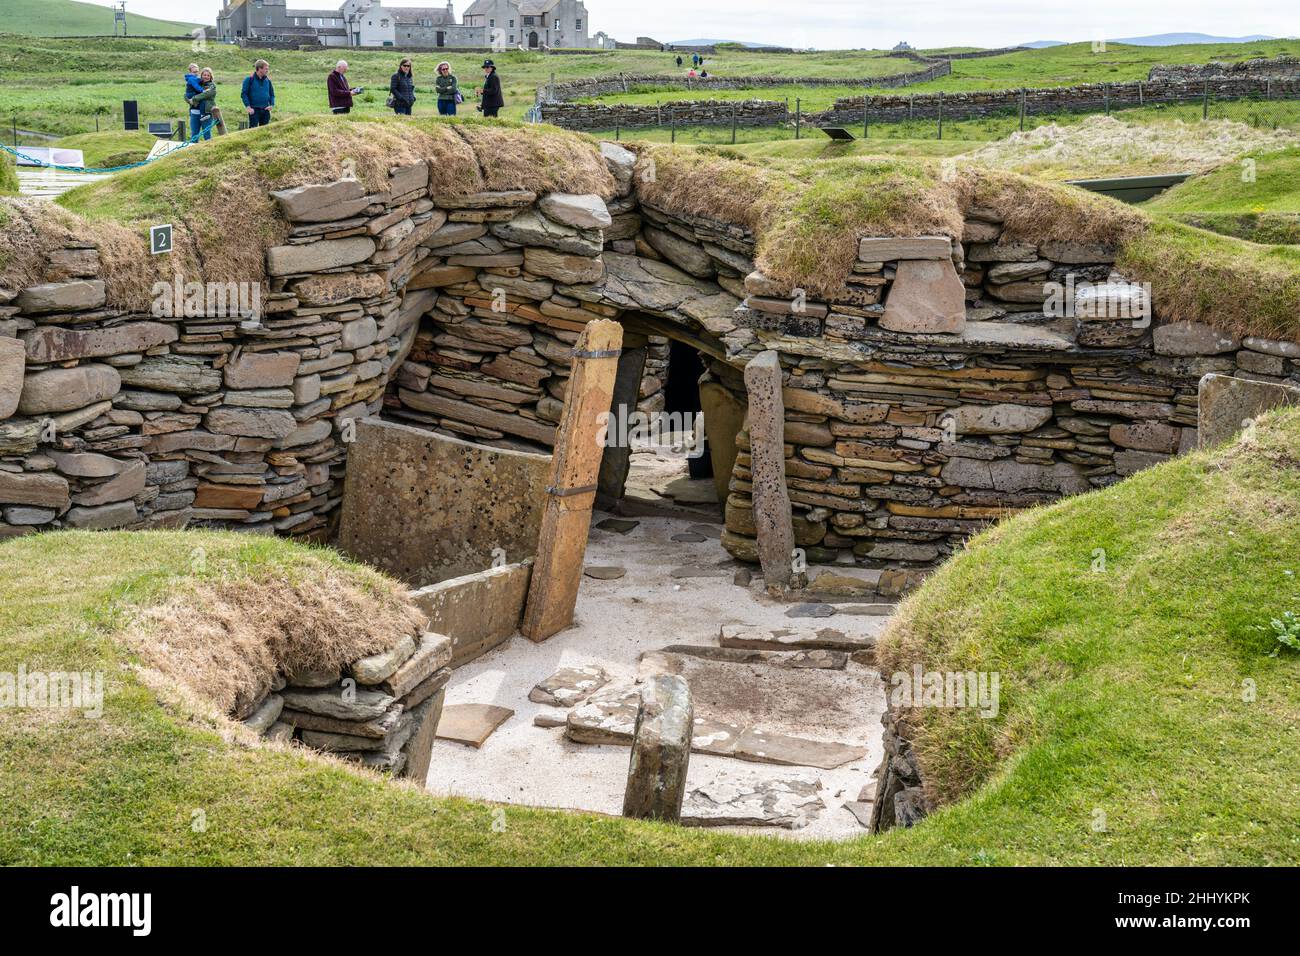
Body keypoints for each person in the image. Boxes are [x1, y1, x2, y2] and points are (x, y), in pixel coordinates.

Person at [187, 68, 225, 137]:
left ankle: (208, 147)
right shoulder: (196, 84)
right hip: (194, 111)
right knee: (194, 134)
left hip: (206, 113)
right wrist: (188, 99)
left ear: (211, 77)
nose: (206, 77)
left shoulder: (212, 86)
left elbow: (206, 94)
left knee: (206, 134)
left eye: (208, 75)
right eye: (204, 75)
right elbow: (187, 93)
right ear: (201, 75)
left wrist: (194, 99)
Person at [241, 59, 275, 128]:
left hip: (266, 110)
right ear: (259, 69)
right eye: (266, 69)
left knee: (265, 131)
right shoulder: (249, 79)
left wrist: (271, 105)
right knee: (252, 131)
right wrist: (248, 107)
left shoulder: (268, 80)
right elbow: (244, 94)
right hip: (254, 110)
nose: (267, 71)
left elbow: (272, 94)